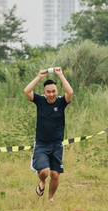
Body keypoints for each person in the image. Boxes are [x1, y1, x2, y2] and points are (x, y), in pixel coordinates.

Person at [24, 67, 74, 202]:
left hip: (57, 145)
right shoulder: (40, 101)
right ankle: (42, 182)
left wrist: (61, 75)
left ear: (57, 91)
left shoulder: (61, 102)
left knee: (55, 174)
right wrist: (39, 76)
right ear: (44, 93)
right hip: (41, 144)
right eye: (48, 92)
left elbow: (70, 92)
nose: (51, 94)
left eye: (53, 91)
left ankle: (50, 199)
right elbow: (27, 91)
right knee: (44, 172)